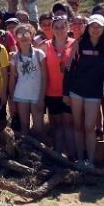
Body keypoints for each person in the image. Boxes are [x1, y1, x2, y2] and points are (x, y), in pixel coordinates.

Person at [63, 15, 104, 165]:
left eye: (99, 27)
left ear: (103, 28)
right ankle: (80, 159)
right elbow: (68, 68)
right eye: (93, 26)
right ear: (88, 27)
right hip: (76, 90)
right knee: (78, 125)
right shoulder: (79, 43)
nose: (95, 29)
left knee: (89, 126)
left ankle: (91, 161)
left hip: (94, 92)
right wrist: (65, 92)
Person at [43, 16, 74, 153]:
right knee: (57, 125)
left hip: (70, 92)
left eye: (62, 27)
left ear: (67, 28)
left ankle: (71, 156)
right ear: (52, 29)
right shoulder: (45, 45)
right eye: (56, 27)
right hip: (51, 92)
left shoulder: (75, 44)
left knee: (68, 124)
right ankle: (58, 155)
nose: (59, 30)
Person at [10, 24, 46, 136]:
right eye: (20, 34)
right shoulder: (14, 57)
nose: (23, 37)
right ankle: (25, 151)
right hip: (21, 94)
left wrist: (42, 98)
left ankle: (38, 152)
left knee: (38, 128)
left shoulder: (39, 54)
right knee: (24, 127)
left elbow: (44, 77)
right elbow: (12, 80)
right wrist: (12, 100)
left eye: (26, 33)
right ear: (16, 37)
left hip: (36, 94)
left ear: (32, 35)